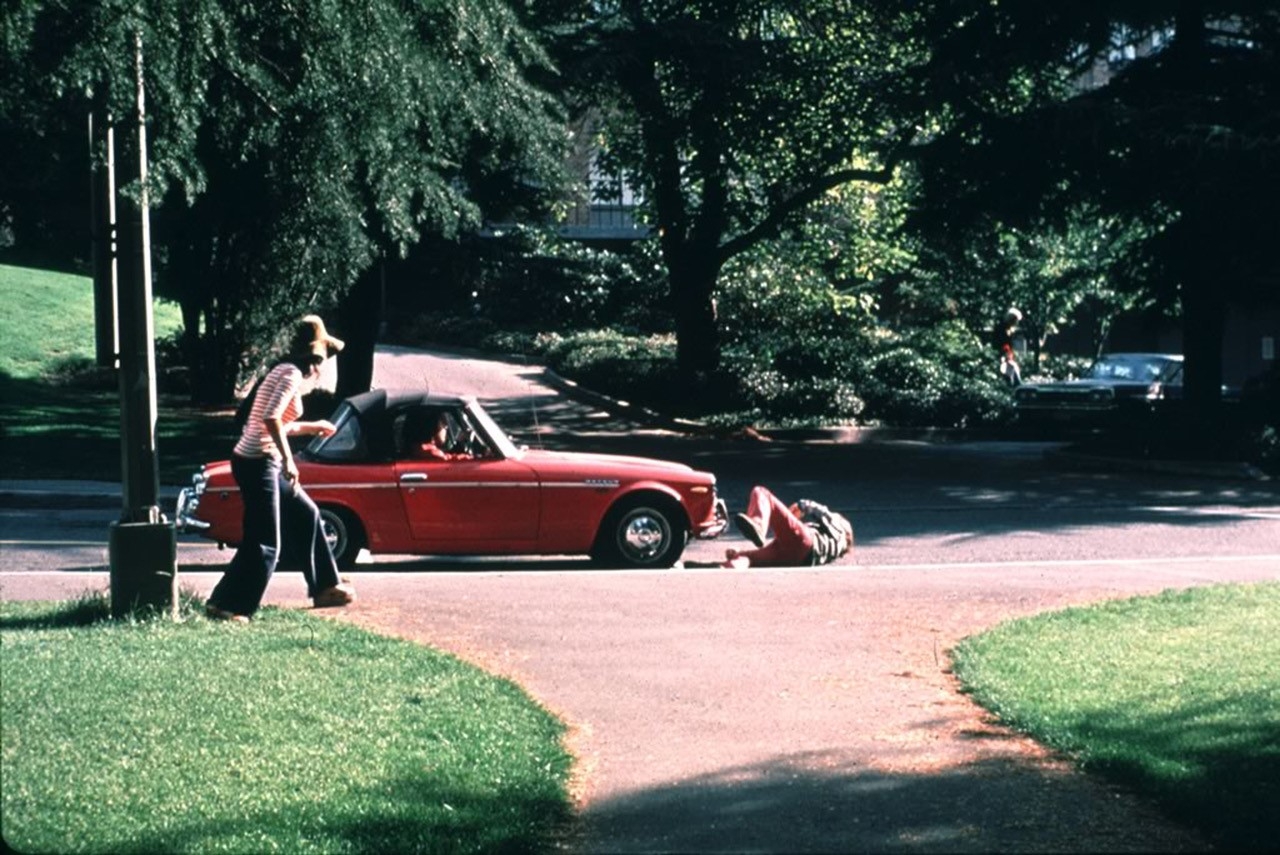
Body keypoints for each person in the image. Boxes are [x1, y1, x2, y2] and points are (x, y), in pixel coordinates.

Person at [205, 315, 356, 622]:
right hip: (259, 462)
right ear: (317, 355)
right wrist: (289, 460)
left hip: (258, 458)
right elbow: (271, 420)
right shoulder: (290, 376)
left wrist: (311, 427)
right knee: (265, 541)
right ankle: (229, 605)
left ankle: (326, 586)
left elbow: (270, 423)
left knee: (307, 513)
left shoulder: (282, 370)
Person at [724, 486, 854, 569]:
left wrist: (790, 513)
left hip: (804, 542)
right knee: (749, 557)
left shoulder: (839, 525)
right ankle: (733, 566)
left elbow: (808, 505)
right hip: (798, 559)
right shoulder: (835, 548)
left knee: (761, 492)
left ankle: (759, 524)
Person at [995, 308, 1023, 386]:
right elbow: (1002, 343)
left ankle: (1015, 386)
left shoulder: (1009, 329)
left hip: (1007, 353)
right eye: (1015, 320)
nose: (1016, 322)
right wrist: (1005, 355)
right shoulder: (1002, 329)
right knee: (1009, 371)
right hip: (1002, 354)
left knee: (1013, 369)